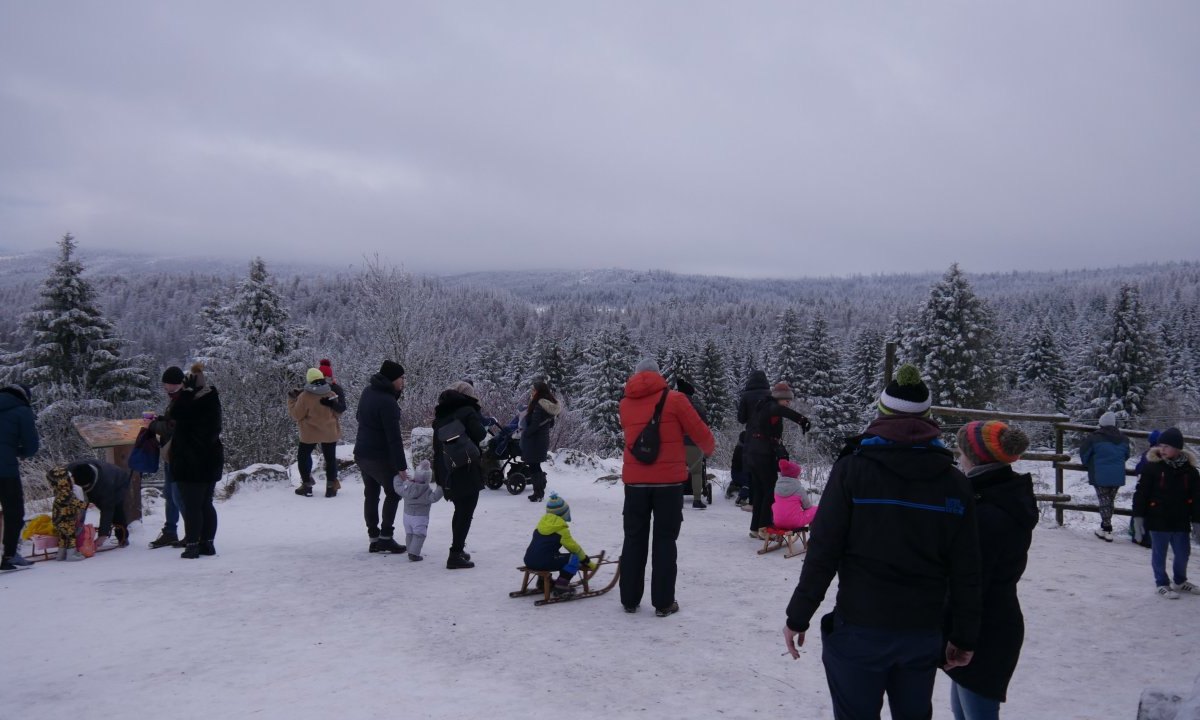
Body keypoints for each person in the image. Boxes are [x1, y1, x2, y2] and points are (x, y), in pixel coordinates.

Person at [783, 364, 981, 720]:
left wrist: (798, 616)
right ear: (928, 417)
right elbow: (967, 568)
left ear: (882, 413)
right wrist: (963, 636)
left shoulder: (852, 471)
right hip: (922, 633)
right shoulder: (954, 484)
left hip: (860, 628)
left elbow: (824, 551)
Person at [944, 421, 1037, 719]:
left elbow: (972, 583)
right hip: (980, 626)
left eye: (961, 451)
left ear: (976, 457)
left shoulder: (990, 512)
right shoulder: (994, 494)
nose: (958, 458)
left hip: (985, 633)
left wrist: (961, 637)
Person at [618, 358, 714, 617]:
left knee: (633, 539)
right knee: (664, 541)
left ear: (635, 376)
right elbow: (700, 433)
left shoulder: (624, 404)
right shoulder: (676, 400)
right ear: (659, 375)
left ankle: (629, 599)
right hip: (669, 484)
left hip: (635, 483)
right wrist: (708, 450)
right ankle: (663, 603)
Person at [1132, 428, 1200, 600]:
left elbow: (1197, 497)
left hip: (1181, 519)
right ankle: (1161, 583)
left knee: (1183, 553)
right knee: (1159, 553)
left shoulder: (1190, 471)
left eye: (1167, 446)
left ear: (1177, 448)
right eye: (1161, 445)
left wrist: (1197, 521)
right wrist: (1138, 518)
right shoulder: (1152, 468)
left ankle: (1180, 580)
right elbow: (1141, 494)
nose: (1162, 449)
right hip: (1158, 518)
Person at [353, 360, 409, 554]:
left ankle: (374, 538)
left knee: (371, 493)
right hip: (378, 456)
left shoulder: (368, 392)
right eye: (401, 378)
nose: (403, 381)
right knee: (393, 492)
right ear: (393, 379)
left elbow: (359, 417)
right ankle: (385, 537)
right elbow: (394, 438)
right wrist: (401, 467)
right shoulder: (388, 402)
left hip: (362, 453)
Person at [431, 380, 488, 569]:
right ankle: (455, 554)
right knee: (466, 511)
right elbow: (480, 435)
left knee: (459, 510)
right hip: (466, 467)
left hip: (447, 468)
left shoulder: (441, 413)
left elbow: (437, 446)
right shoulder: (467, 411)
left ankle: (457, 549)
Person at [744, 381, 811, 538]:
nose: (788, 402)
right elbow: (781, 410)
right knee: (769, 490)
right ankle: (765, 527)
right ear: (778, 397)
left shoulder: (763, 406)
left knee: (760, 491)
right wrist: (802, 420)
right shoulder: (771, 406)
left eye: (789, 399)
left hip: (752, 452)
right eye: (786, 399)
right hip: (762, 454)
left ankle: (756, 528)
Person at [172, 362, 224, 559]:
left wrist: (185, 394)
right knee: (206, 504)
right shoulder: (212, 399)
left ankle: (192, 545)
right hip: (211, 460)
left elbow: (177, 413)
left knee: (192, 505)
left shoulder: (191, 402)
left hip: (191, 462)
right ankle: (207, 544)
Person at [288, 367, 346, 498]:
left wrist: (292, 400)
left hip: (309, 434)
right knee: (330, 459)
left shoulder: (304, 396)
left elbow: (297, 415)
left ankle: (307, 486)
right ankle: (331, 487)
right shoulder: (330, 394)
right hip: (329, 432)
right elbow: (338, 413)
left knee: (303, 457)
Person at [523, 493, 596, 598]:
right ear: (563, 513)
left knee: (550, 553)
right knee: (573, 559)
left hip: (529, 559)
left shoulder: (540, 525)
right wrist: (586, 560)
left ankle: (542, 582)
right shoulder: (561, 529)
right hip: (543, 562)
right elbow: (574, 548)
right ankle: (561, 586)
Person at [148, 366, 187, 549]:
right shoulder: (176, 398)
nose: (165, 387)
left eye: (167, 383)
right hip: (170, 453)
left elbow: (175, 427)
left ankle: (191, 532)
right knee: (171, 495)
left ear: (173, 383)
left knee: (178, 496)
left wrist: (153, 426)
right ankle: (170, 531)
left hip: (178, 454)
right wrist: (161, 419)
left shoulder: (183, 399)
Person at [1, 383, 39, 572]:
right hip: (5, 471)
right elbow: (32, 447)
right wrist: (15, 451)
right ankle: (9, 555)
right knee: (13, 512)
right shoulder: (22, 411)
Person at [1079, 412, 1131, 542]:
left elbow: (1084, 454)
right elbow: (1126, 455)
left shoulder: (1094, 437)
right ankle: (1104, 527)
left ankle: (1107, 528)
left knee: (1104, 500)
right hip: (1118, 474)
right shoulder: (1124, 439)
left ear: (1101, 423)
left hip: (1099, 472)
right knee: (1110, 501)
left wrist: (1088, 464)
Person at [66, 459, 132, 551]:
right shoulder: (69, 470)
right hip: (95, 481)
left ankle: (122, 537)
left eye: (84, 487)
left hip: (118, 482)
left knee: (116, 509)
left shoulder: (106, 485)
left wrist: (102, 535)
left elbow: (107, 509)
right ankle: (73, 538)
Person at [520, 379, 561, 503]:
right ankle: (538, 492)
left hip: (535, 440)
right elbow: (551, 424)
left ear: (539, 391)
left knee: (533, 466)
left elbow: (534, 425)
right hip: (542, 439)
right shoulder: (548, 404)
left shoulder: (539, 404)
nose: (531, 392)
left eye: (533, 390)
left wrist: (525, 433)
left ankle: (538, 493)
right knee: (536, 465)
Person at [396, 459, 442, 562]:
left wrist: (398, 477)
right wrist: (441, 487)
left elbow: (397, 487)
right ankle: (413, 554)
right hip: (420, 518)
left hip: (407, 516)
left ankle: (410, 549)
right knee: (419, 535)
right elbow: (434, 497)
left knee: (410, 533)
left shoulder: (406, 487)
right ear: (428, 478)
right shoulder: (426, 491)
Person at [675, 378, 709, 510]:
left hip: (676, 444)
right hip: (694, 443)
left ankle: (676, 498)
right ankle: (697, 499)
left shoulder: (673, 403)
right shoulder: (697, 405)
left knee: (676, 471)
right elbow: (704, 424)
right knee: (696, 472)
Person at [47, 466, 88, 561]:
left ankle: (60, 555)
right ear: (64, 481)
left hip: (58, 521)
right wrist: (85, 505)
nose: (72, 480)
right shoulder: (66, 493)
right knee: (71, 536)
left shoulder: (59, 491)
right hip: (66, 521)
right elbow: (74, 502)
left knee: (63, 537)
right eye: (70, 478)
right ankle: (71, 555)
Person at [771, 459, 818, 532]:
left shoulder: (777, 487)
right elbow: (807, 506)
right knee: (816, 509)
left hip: (777, 521)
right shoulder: (799, 489)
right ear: (795, 475)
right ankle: (814, 532)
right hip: (794, 522)